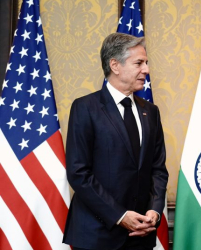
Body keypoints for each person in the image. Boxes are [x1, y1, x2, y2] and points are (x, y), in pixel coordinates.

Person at [63, 32, 168, 250]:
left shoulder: (151, 112)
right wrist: (119, 216)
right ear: (115, 65)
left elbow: (158, 169)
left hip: (141, 234)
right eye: (139, 63)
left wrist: (155, 211)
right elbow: (78, 172)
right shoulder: (85, 108)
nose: (146, 70)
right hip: (97, 236)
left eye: (146, 63)